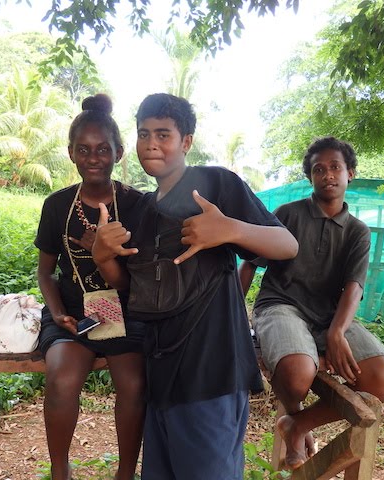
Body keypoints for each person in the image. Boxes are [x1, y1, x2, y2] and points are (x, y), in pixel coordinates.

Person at [92, 93, 299, 479]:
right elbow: (132, 289)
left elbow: (287, 246)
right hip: (161, 376)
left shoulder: (216, 185)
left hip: (211, 375)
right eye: (143, 134)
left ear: (186, 141)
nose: (151, 143)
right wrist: (103, 258)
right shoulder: (141, 209)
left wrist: (231, 229)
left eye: (163, 134)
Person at [239, 136, 384, 470]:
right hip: (281, 305)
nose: (327, 175)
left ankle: (298, 425)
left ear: (350, 173)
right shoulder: (288, 214)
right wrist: (235, 316)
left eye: (335, 167)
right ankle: (295, 413)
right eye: (318, 169)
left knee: (382, 377)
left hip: (329, 315)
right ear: (310, 176)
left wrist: (337, 333)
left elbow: (353, 287)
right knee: (298, 373)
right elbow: (250, 263)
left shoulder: (357, 231)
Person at [34, 94, 146, 480]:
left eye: (103, 149)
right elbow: (45, 273)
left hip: (123, 310)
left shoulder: (137, 205)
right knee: (61, 379)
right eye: (83, 149)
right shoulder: (56, 206)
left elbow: (134, 282)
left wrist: (103, 256)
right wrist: (56, 313)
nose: (93, 157)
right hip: (71, 311)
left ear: (118, 152)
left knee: (134, 384)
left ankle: (125, 473)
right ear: (71, 153)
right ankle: (60, 471)